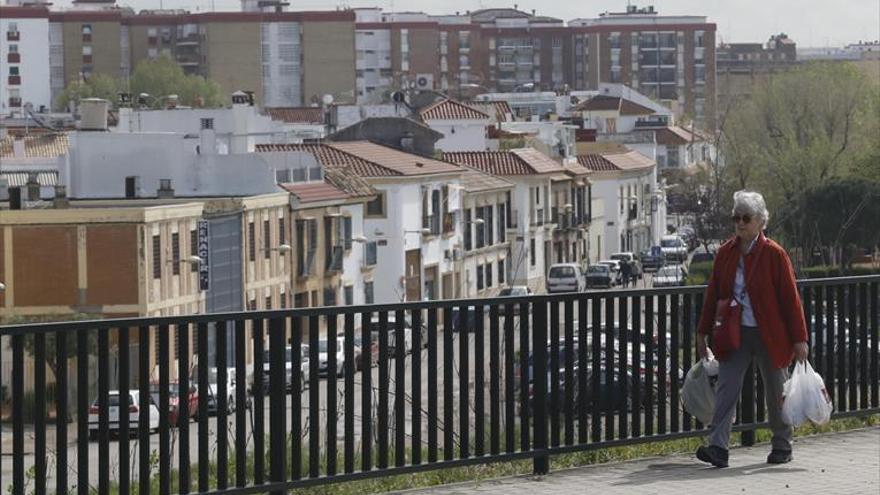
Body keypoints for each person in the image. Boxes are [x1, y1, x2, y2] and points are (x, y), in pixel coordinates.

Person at [694, 190, 809, 468]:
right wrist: (702, 333)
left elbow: (790, 299)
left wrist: (800, 339)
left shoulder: (774, 254)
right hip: (735, 335)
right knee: (726, 389)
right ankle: (718, 447)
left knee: (775, 391)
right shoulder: (725, 253)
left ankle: (782, 445)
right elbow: (713, 295)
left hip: (771, 334)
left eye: (746, 218)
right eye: (736, 217)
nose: (740, 223)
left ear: (760, 221)